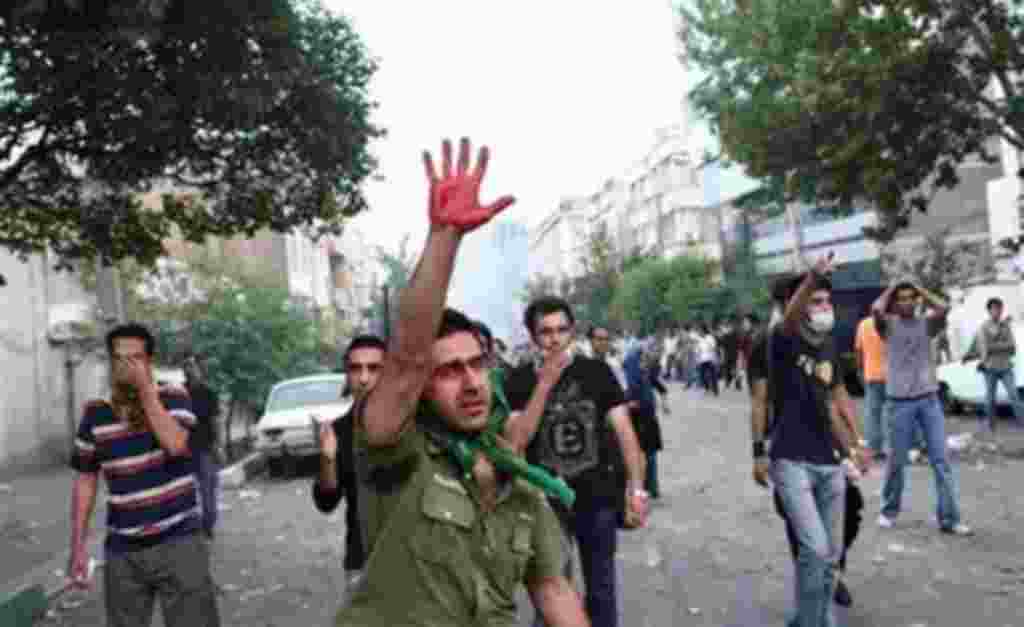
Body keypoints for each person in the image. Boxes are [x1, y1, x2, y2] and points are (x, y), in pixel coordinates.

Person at [335, 137, 587, 627]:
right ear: (421, 389)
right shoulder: (394, 456)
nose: (471, 382)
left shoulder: (517, 480)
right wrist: (445, 236)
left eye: (477, 364)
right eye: (449, 371)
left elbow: (552, 589)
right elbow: (406, 359)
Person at [504, 296, 648, 627]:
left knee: (602, 590)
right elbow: (516, 442)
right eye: (545, 332)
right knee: (552, 593)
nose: (554, 339)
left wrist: (637, 489)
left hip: (597, 497)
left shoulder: (596, 372)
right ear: (532, 336)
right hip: (545, 503)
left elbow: (625, 432)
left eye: (562, 330)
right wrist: (545, 383)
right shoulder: (520, 380)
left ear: (572, 332)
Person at [68, 323, 220, 627]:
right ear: (111, 363)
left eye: (136, 358)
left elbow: (176, 445)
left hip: (180, 541)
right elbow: (85, 480)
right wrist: (78, 547)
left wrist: (145, 392)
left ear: (149, 361)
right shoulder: (95, 413)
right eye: (120, 359)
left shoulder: (173, 396)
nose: (128, 366)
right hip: (124, 551)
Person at [750, 258, 867, 627]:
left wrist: (855, 445)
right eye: (814, 302)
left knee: (829, 554)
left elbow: (835, 403)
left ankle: (808, 619)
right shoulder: (781, 340)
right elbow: (759, 400)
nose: (823, 308)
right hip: (791, 460)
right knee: (814, 548)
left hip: (828, 463)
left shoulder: (829, 347)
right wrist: (758, 451)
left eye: (827, 302)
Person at [874, 278, 971, 535]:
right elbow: (876, 309)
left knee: (941, 461)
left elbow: (943, 306)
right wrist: (893, 287)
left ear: (916, 300)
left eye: (910, 298)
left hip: (928, 399)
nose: (906, 302)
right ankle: (888, 510)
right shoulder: (889, 325)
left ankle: (949, 519)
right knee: (897, 460)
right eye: (901, 299)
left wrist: (918, 288)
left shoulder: (926, 324)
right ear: (895, 302)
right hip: (899, 403)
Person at [311, 334, 386, 587]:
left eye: (374, 368)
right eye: (356, 369)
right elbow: (327, 501)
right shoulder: (339, 431)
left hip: (416, 564)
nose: (364, 378)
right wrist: (328, 458)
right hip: (362, 562)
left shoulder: (413, 426)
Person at [969, 297, 1022, 431]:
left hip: (1006, 366)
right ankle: (990, 426)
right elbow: (984, 348)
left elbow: (1012, 347)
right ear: (989, 311)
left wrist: (995, 346)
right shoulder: (984, 327)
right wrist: (1001, 346)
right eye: (994, 309)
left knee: (1014, 395)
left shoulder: (1006, 326)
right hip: (990, 367)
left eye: (999, 308)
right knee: (990, 399)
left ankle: (1022, 422)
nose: (997, 311)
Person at [182, 353, 220, 538]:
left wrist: (217, 446)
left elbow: (215, 421)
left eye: (191, 366)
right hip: (184, 449)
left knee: (207, 490)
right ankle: (190, 527)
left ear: (199, 369)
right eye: (186, 366)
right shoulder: (179, 393)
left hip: (205, 448)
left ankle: (208, 524)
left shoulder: (209, 393)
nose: (188, 369)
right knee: (185, 491)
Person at [624, 343, 665, 500]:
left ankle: (646, 488)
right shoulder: (641, 371)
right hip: (645, 415)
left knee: (644, 454)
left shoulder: (640, 371)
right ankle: (650, 487)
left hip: (643, 416)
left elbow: (634, 393)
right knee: (648, 454)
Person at [854, 315, 888, 461]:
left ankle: (874, 449)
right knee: (893, 412)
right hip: (893, 375)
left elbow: (858, 350)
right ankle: (895, 448)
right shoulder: (892, 322)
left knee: (873, 414)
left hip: (871, 375)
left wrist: (860, 370)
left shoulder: (863, 324)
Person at [588, 325, 628, 392]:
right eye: (600, 339)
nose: (604, 342)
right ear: (591, 341)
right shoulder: (585, 365)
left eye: (607, 339)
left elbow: (624, 389)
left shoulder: (614, 365)